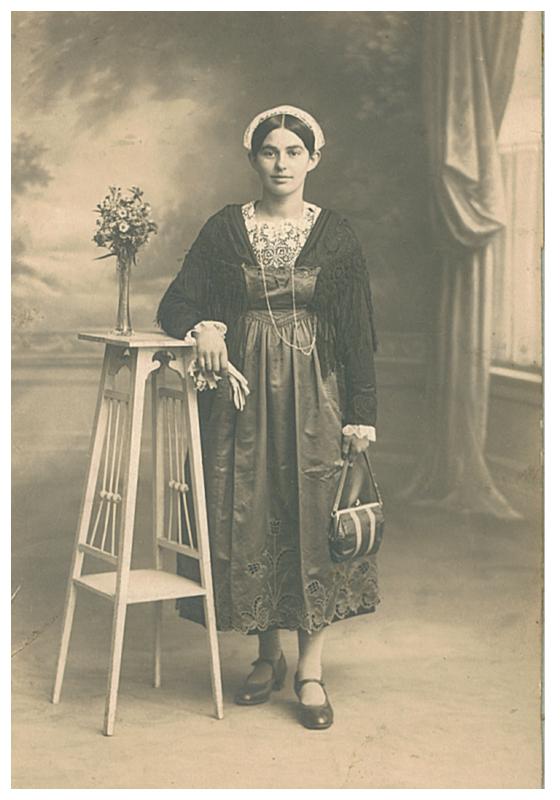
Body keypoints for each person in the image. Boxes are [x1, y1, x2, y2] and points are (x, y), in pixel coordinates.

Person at [156, 105, 379, 730]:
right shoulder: (226, 229)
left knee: (312, 515)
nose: (282, 163)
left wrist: (362, 413)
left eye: (293, 152)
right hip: (242, 399)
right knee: (250, 512)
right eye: (270, 151)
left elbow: (358, 331)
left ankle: (310, 670)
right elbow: (175, 301)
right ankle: (265, 655)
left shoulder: (335, 235)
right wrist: (205, 326)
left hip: (318, 394)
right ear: (253, 158)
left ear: (314, 159)